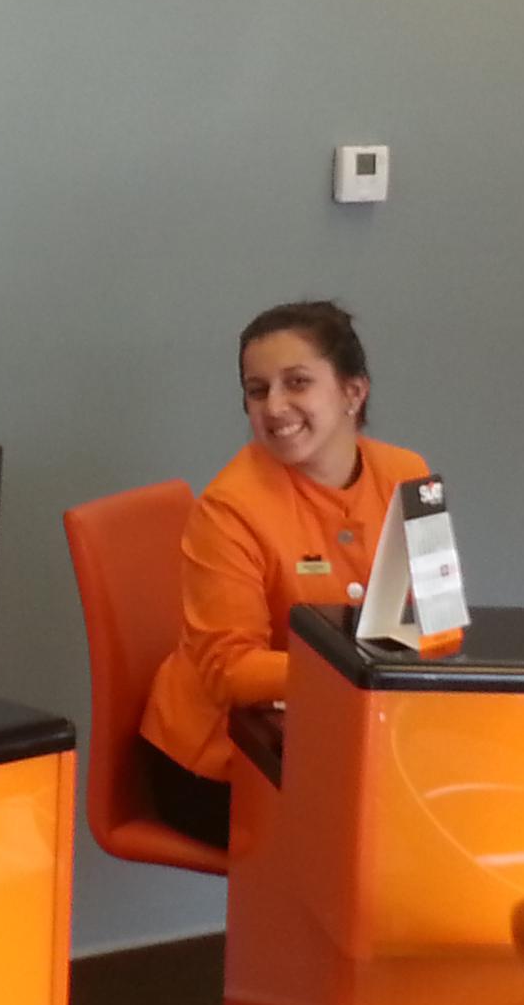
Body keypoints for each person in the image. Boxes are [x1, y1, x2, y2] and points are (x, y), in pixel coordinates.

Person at [134, 299, 430, 847]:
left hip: (341, 735)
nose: (274, 407)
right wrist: (362, 670)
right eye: (257, 390)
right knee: (391, 840)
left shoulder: (409, 476)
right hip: (223, 761)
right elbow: (232, 672)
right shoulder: (229, 509)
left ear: (353, 392)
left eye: (297, 382)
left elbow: (435, 619)